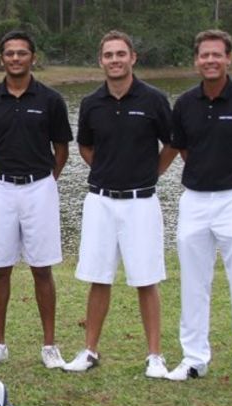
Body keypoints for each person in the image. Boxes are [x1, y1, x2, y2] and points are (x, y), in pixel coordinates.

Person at [62, 31, 176, 377]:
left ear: (133, 58)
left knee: (146, 278)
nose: (115, 60)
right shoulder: (91, 103)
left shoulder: (154, 99)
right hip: (100, 201)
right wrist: (107, 170)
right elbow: (85, 147)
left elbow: (171, 144)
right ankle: (90, 351)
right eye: (108, 55)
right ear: (101, 61)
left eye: (120, 54)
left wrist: (150, 172)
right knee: (99, 277)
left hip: (141, 202)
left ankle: (154, 355)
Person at [166, 29, 232, 387]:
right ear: (196, 60)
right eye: (204, 55)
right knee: (194, 284)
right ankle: (194, 359)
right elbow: (184, 149)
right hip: (194, 201)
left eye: (217, 55)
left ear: (229, 58)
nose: (210, 61)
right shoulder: (184, 104)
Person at [0, 31, 70, 368]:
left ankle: (49, 346)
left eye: (22, 53)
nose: (15, 58)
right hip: (0, 188)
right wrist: (3, 176)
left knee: (42, 269)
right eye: (9, 53)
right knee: (0, 269)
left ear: (32, 57)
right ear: (2, 58)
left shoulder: (51, 100)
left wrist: (41, 181)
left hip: (40, 188)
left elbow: (61, 150)